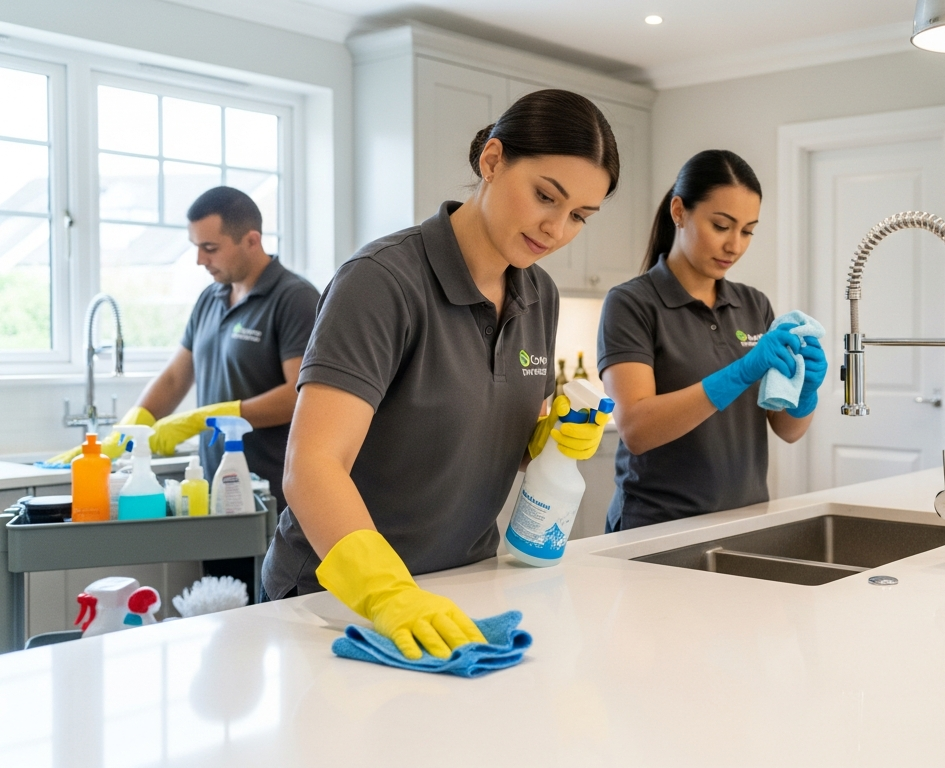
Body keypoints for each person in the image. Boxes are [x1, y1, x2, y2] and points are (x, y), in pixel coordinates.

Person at [264, 90, 616, 661]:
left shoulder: (537, 292)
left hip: (463, 584)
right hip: (335, 603)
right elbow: (312, 466)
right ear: (493, 160)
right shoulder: (381, 282)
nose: (556, 228)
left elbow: (491, 433)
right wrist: (388, 594)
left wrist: (549, 441)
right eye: (545, 197)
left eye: (579, 216)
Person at [47, 187, 317, 514]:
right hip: (215, 489)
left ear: (251, 240)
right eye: (196, 247)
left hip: (272, 492)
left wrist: (207, 417)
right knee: (220, 569)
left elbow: (300, 395)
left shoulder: (294, 299)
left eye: (210, 248)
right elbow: (176, 377)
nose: (200, 260)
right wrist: (130, 426)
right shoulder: (211, 298)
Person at [597, 150, 827, 532]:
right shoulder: (632, 303)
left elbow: (786, 430)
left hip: (745, 526)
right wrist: (738, 373)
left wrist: (805, 393)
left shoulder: (754, 304)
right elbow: (636, 429)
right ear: (679, 211)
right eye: (721, 225)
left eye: (748, 230)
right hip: (656, 529)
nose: (735, 245)